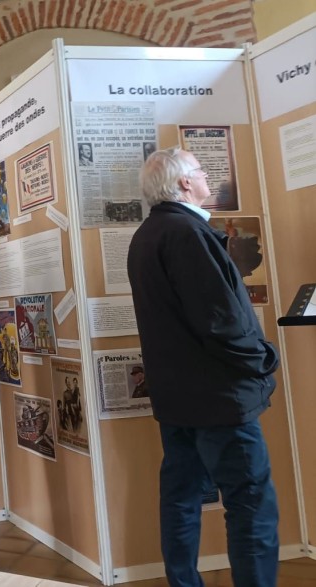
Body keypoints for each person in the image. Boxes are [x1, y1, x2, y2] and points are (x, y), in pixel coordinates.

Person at [127, 147, 280, 587]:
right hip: (219, 400)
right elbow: (220, 321)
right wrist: (263, 358)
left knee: (181, 498)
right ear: (183, 183)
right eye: (200, 169)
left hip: (178, 399)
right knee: (250, 504)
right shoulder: (186, 233)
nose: (207, 176)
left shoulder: (148, 234)